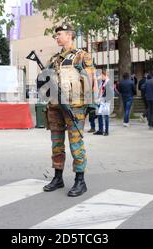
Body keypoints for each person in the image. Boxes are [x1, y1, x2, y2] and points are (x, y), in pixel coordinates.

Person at [42, 23, 96, 197]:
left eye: (59, 34)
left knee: (75, 143)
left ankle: (80, 180)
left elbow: (89, 80)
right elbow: (45, 82)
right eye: (56, 35)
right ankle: (58, 177)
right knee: (56, 143)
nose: (57, 37)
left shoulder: (81, 56)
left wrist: (91, 104)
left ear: (69, 36)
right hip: (55, 106)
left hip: (75, 107)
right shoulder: (54, 59)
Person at [94, 70, 112, 135]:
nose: (100, 77)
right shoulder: (103, 82)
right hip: (101, 100)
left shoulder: (108, 82)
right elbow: (100, 91)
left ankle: (106, 131)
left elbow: (110, 94)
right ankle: (101, 130)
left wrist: (105, 100)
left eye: (101, 76)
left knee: (106, 116)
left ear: (104, 75)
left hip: (106, 101)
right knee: (99, 115)